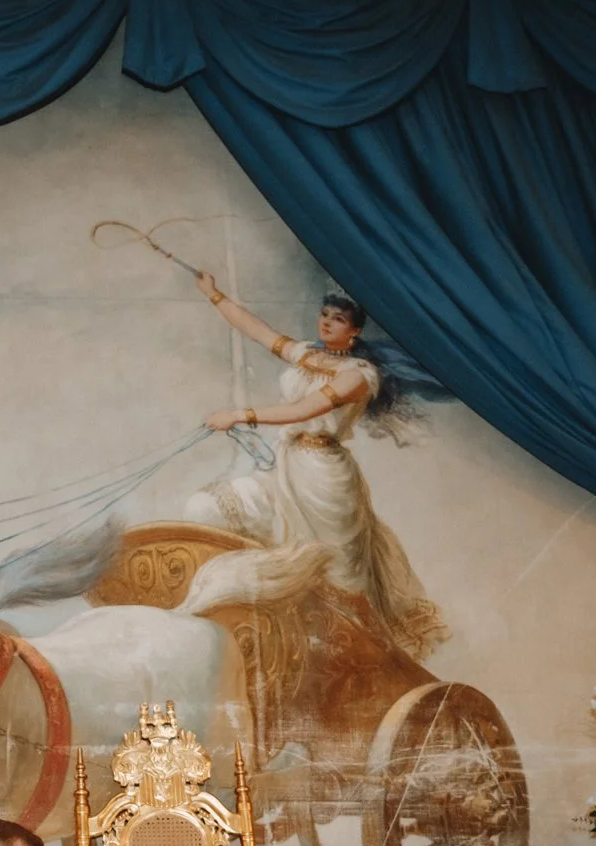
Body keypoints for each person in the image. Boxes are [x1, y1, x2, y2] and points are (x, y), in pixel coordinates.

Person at [187, 272, 447, 661]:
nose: (326, 322)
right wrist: (214, 295)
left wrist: (239, 414)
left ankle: (353, 655)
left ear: (356, 330)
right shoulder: (309, 354)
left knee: (338, 574)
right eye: (324, 314)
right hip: (284, 465)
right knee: (207, 508)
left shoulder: (360, 376)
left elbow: (305, 410)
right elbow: (257, 330)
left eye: (338, 318)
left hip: (325, 478)